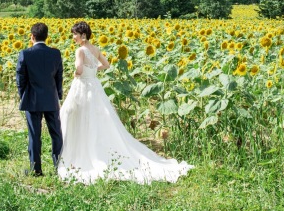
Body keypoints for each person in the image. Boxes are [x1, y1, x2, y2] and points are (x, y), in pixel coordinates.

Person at [58, 20, 192, 184]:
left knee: (80, 116)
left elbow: (78, 69)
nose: (73, 37)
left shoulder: (81, 50)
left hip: (83, 86)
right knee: (97, 117)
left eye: (75, 34)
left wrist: (77, 74)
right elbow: (106, 65)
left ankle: (83, 151)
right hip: (95, 85)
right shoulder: (96, 49)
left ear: (83, 35)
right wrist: (92, 71)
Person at [16, 22, 63, 177]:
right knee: (56, 133)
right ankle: (59, 167)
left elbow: (20, 79)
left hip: (33, 99)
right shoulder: (55, 54)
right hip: (51, 99)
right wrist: (58, 96)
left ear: (32, 36)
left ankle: (36, 169)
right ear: (47, 36)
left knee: (35, 135)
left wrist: (23, 95)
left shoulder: (25, 54)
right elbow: (59, 78)